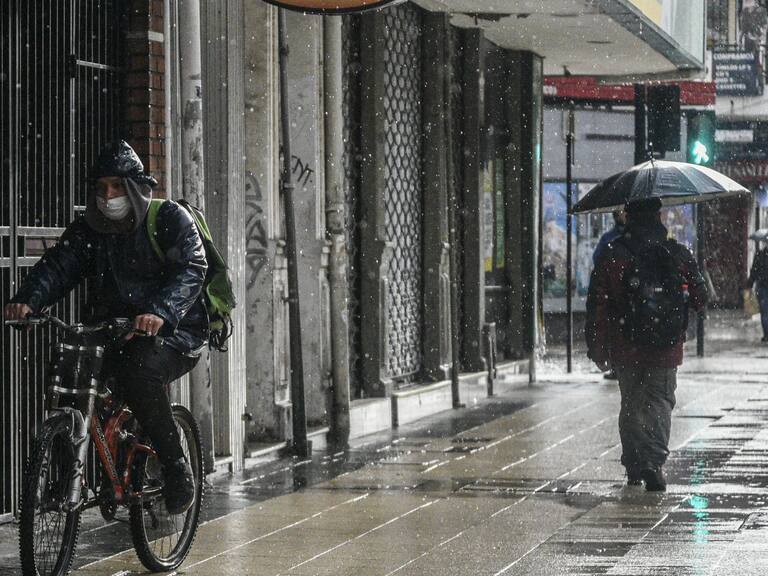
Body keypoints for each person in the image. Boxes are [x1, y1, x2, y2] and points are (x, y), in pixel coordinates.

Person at [4, 140, 208, 515]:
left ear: (134, 187)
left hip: (175, 332)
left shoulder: (170, 219)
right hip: (111, 330)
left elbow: (192, 269)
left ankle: (177, 468)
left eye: (116, 186)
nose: (108, 196)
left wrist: (160, 312)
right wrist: (28, 299)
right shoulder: (90, 231)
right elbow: (58, 266)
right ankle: (66, 477)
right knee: (69, 377)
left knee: (140, 371)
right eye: (100, 188)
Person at [585, 198, 707, 491]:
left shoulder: (613, 255)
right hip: (666, 345)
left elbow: (598, 304)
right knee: (660, 402)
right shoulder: (676, 252)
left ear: (627, 216)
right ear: (658, 215)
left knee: (632, 404)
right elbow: (701, 299)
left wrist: (598, 347)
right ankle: (653, 462)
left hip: (626, 344)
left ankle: (634, 464)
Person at [592, 209, 626, 380]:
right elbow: (597, 259)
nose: (623, 215)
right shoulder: (609, 239)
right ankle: (616, 366)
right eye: (620, 212)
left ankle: (619, 365)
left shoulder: (618, 239)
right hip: (616, 294)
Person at [746, 243, 768, 342]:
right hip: (762, 287)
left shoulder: (760, 254)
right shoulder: (760, 255)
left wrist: (749, 284)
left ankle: (767, 335)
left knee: (765, 313)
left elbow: (754, 271)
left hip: (762, 287)